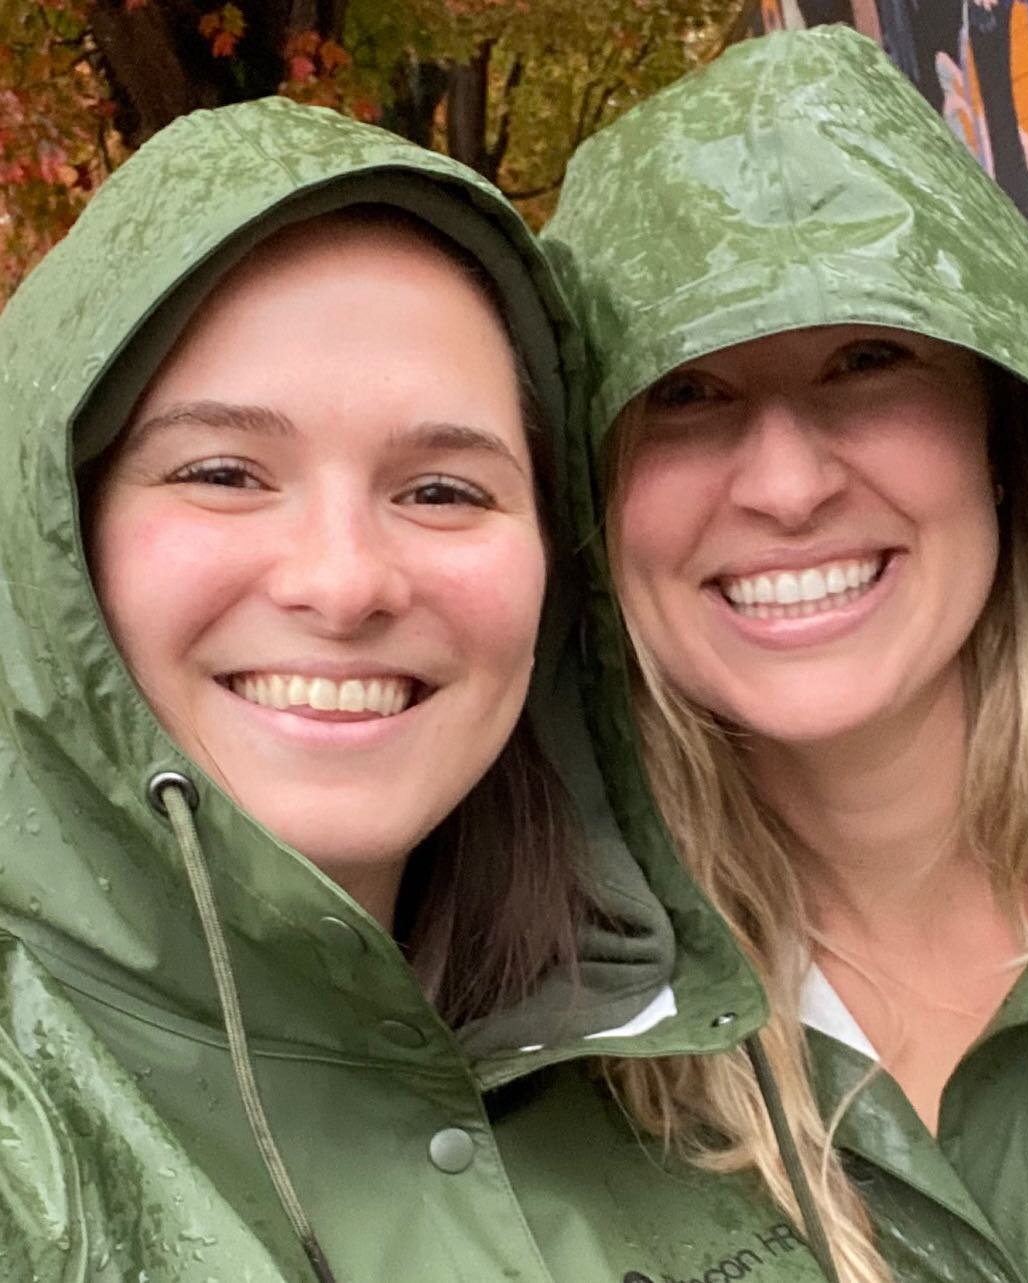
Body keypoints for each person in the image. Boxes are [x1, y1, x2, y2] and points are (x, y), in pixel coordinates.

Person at [0, 98, 841, 1283]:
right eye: (226, 472)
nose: (343, 582)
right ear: (53, 536)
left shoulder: (671, 1051)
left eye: (444, 490)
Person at [543, 25, 1028, 1283]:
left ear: (1005, 414)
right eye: (684, 393)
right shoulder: (535, 1007)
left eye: (866, 359)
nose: (784, 483)